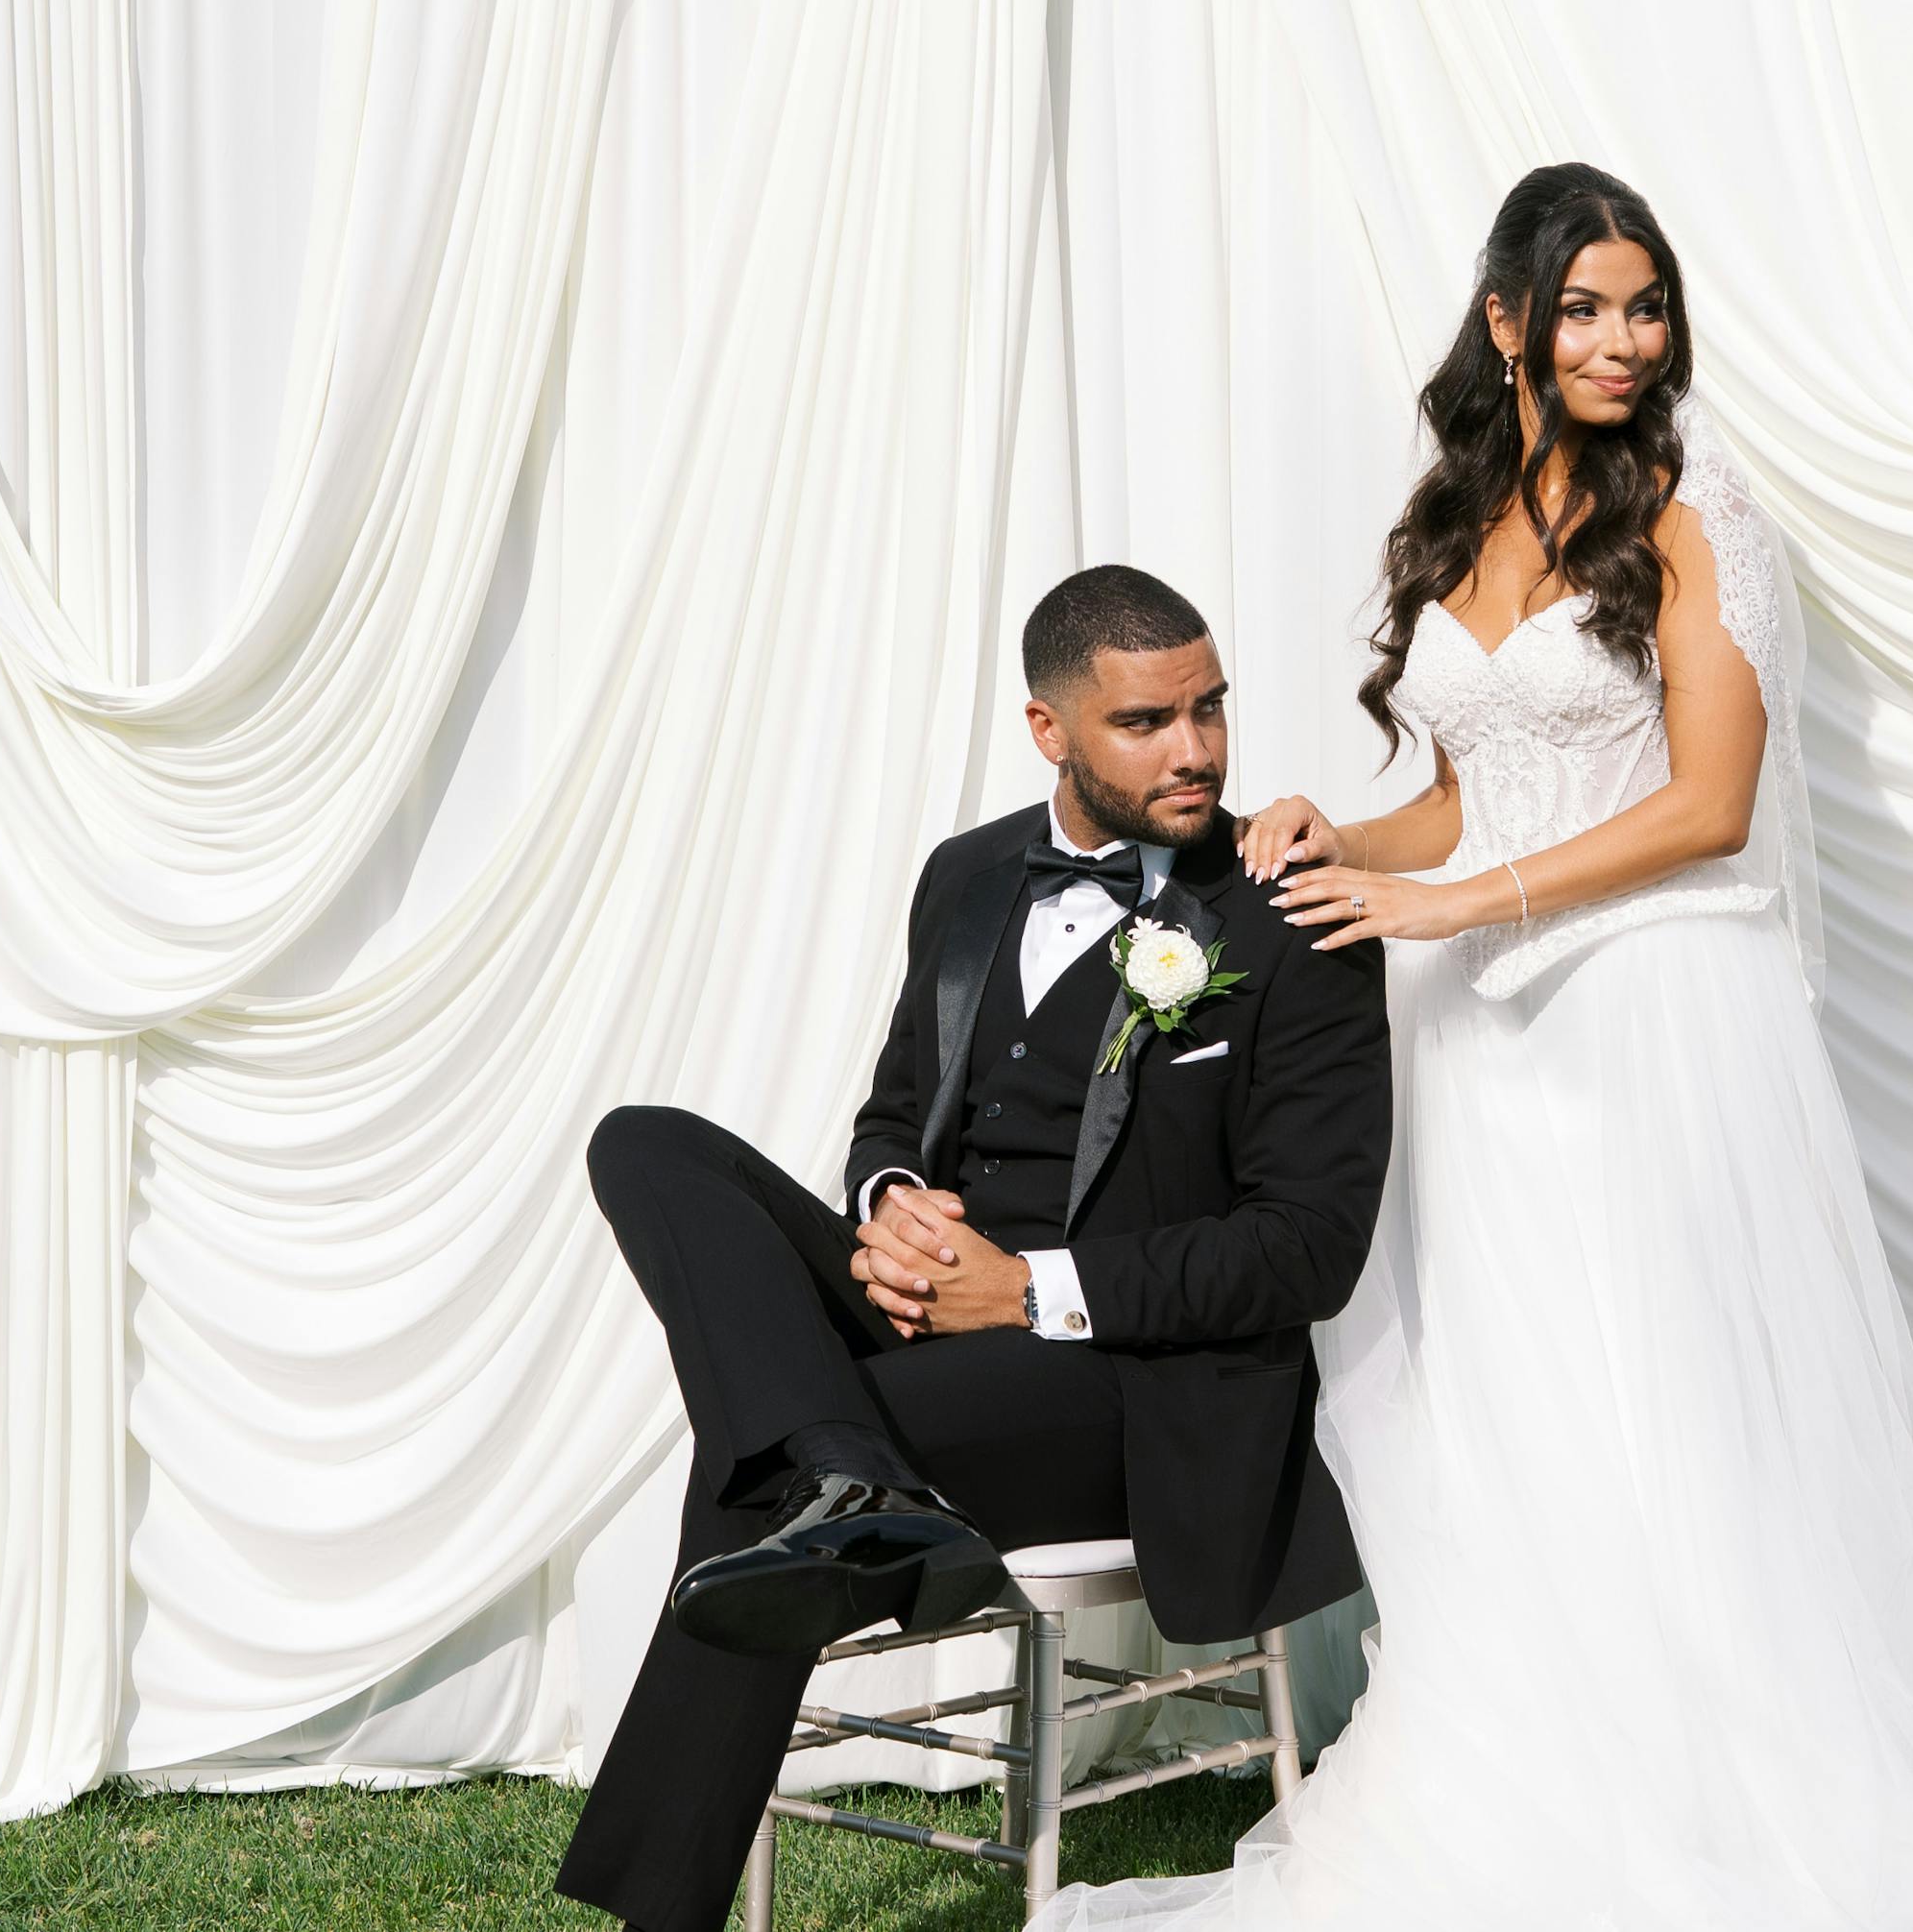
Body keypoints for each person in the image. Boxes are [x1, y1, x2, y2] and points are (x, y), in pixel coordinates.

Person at [1042, 164, 1913, 1930]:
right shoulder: (1458, 512)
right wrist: (1352, 840)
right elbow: (1470, 796)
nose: (1624, 340)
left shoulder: (1700, 508)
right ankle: (1550, 1770)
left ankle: (1741, 1800)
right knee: (1517, 1431)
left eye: (1645, 305)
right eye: (1583, 308)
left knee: (1680, 1416)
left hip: (1654, 1013)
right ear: (1507, 323)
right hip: (1484, 1058)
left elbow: (1711, 807)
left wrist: (1462, 897)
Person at [556, 567, 1392, 1932]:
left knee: (771, 1454)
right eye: (1144, 720)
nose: (1195, 749)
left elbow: (1308, 1250)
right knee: (643, 1141)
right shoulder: (967, 875)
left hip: (1124, 1367)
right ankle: (853, 1474)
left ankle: (663, 1903)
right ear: (1048, 729)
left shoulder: (1290, 919)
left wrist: (1033, 1289)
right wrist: (889, 1203)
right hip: (938, 1310)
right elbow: (897, 1111)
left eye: (1210, 708)